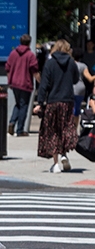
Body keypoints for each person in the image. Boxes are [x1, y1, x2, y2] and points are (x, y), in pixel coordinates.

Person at [32, 39, 79, 173]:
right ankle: (64, 153)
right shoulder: (71, 63)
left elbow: (44, 85)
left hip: (53, 101)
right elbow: (76, 79)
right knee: (65, 127)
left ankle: (56, 163)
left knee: (53, 131)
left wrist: (40, 103)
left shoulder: (50, 63)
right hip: (67, 100)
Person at [5, 34, 40, 137]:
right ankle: (20, 130)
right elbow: (35, 70)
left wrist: (10, 81)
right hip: (26, 84)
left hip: (15, 83)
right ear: (29, 42)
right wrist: (40, 83)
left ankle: (12, 122)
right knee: (24, 106)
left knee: (18, 104)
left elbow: (7, 68)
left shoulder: (13, 54)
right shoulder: (30, 55)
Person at [72, 48, 88, 128]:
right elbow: (89, 78)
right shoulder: (83, 66)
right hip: (80, 88)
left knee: (69, 108)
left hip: (70, 88)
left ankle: (69, 128)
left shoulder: (69, 64)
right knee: (77, 109)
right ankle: (75, 128)